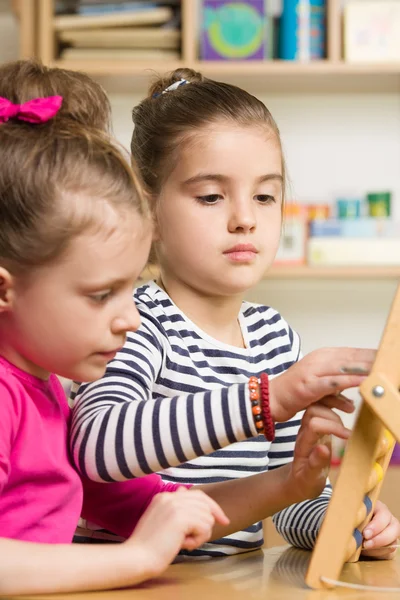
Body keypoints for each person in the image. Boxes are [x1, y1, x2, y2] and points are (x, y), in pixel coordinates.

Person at [71, 69, 399, 559]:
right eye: (211, 196)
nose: (245, 217)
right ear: (148, 211)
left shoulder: (274, 337)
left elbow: (287, 497)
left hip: (226, 583)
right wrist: (267, 399)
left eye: (265, 195)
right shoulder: (135, 320)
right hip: (126, 583)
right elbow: (97, 443)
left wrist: (341, 518)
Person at [0, 63, 231, 596]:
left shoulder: (48, 388)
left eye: (132, 287)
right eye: (101, 295)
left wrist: (292, 485)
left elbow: (132, 503)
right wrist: (137, 559)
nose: (130, 317)